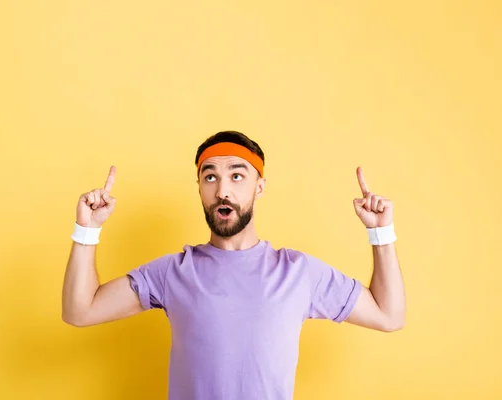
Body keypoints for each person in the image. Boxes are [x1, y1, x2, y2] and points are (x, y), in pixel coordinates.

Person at [62, 130, 406, 400]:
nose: (223, 190)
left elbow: (389, 316)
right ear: (199, 187)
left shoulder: (299, 273)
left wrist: (381, 233)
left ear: (260, 187)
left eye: (237, 176)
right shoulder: (173, 273)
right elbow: (80, 311)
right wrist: (87, 230)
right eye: (210, 177)